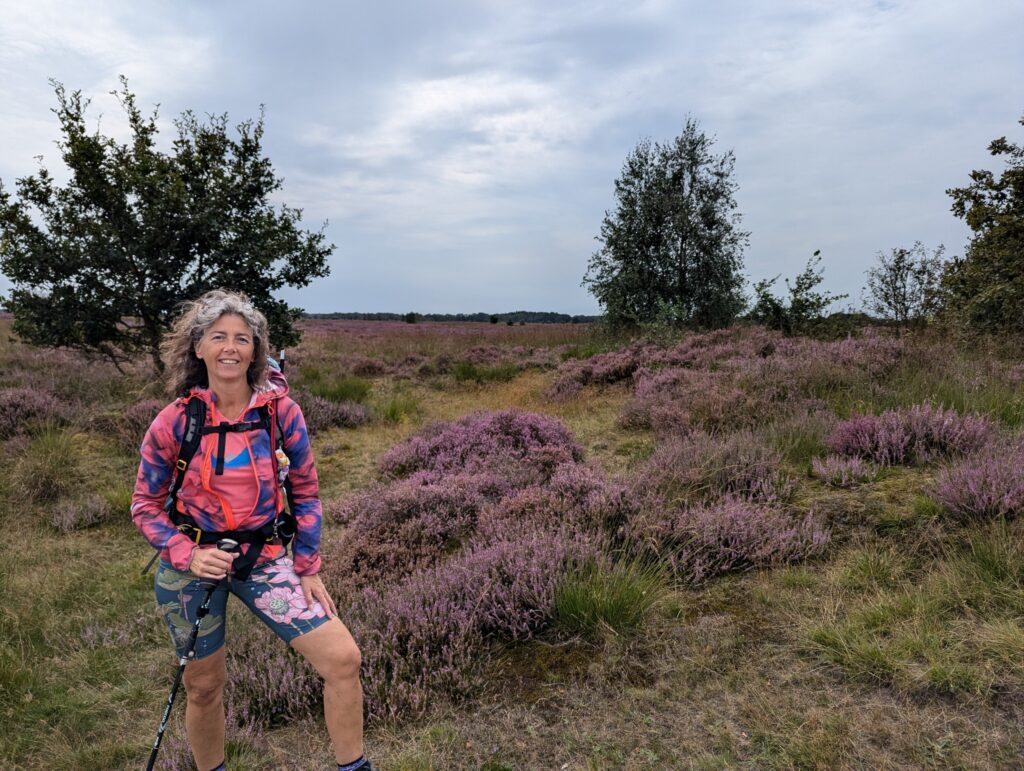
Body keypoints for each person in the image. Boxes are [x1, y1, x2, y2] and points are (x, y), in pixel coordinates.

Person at [132, 289, 370, 771]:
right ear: (197, 347)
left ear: (256, 351)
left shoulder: (281, 414)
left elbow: (304, 490)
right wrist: (186, 553)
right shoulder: (175, 421)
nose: (230, 347)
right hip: (192, 568)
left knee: (343, 660)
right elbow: (145, 505)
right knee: (203, 687)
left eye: (243, 338)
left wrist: (306, 566)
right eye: (218, 336)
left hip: (265, 562)